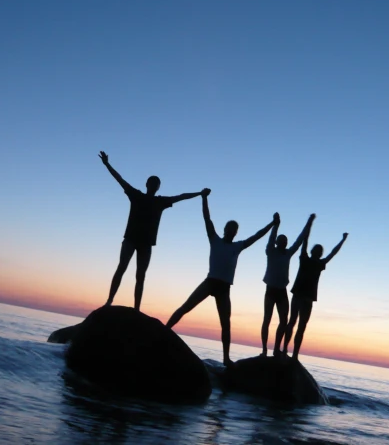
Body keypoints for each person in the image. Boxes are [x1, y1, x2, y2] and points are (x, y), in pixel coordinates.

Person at [167, 189, 277, 367]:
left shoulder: (238, 246)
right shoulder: (215, 240)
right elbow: (207, 219)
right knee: (185, 307)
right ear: (225, 230)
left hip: (224, 288)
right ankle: (165, 331)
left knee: (226, 324)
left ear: (235, 232)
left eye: (234, 230)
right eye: (229, 228)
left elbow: (256, 236)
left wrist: (272, 223)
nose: (231, 231)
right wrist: (204, 198)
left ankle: (226, 358)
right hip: (210, 282)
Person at [99, 151, 204, 311]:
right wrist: (107, 164)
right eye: (152, 183)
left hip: (146, 244)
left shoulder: (160, 201)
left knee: (140, 276)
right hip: (130, 239)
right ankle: (109, 301)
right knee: (122, 267)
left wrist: (199, 193)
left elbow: (181, 196)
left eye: (156, 184)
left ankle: (136, 309)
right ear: (147, 184)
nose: (154, 186)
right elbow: (119, 179)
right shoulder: (136, 195)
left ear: (157, 187)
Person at [282, 231, 349, 361]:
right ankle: (286, 351)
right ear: (314, 252)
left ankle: (293, 354)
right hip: (300, 296)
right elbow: (306, 244)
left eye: (319, 251)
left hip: (305, 298)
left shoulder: (317, 263)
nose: (317, 252)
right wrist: (309, 227)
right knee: (294, 323)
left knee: (298, 325)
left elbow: (333, 253)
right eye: (317, 250)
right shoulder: (306, 259)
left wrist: (342, 240)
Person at [260, 212, 316, 357]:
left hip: (282, 291)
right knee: (267, 319)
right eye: (281, 240)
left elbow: (300, 239)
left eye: (285, 241)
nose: (284, 242)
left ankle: (277, 349)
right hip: (270, 290)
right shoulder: (270, 251)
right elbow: (272, 237)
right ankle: (265, 350)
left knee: (284, 321)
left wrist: (309, 223)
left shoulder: (288, 253)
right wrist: (276, 225)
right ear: (278, 242)